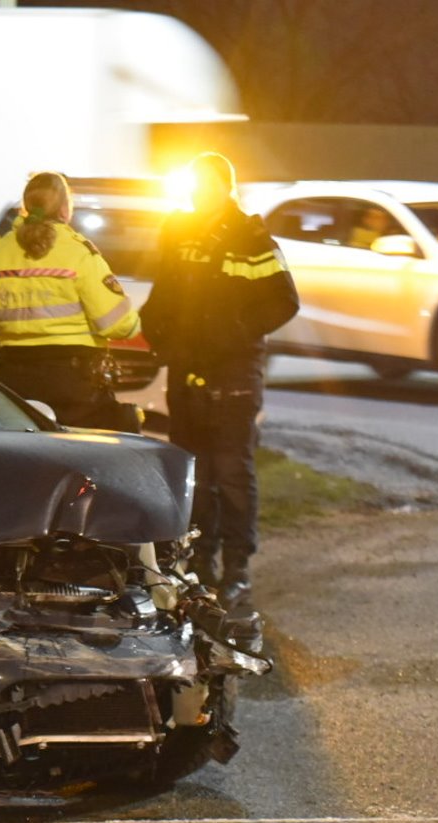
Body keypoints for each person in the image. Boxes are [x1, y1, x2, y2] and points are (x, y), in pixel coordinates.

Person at [139, 152, 300, 610]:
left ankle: (236, 570)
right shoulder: (178, 231)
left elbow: (284, 301)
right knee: (192, 473)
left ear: (226, 187)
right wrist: (158, 333)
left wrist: (235, 332)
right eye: (194, 184)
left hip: (233, 374)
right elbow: (165, 294)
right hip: (187, 372)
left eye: (207, 184)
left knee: (230, 472)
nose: (198, 192)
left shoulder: (250, 236)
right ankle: (197, 563)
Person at [0, 171, 140, 430]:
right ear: (65, 209)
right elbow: (117, 325)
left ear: (26, 207)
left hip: (13, 382)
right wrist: (133, 324)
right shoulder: (79, 253)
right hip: (75, 385)